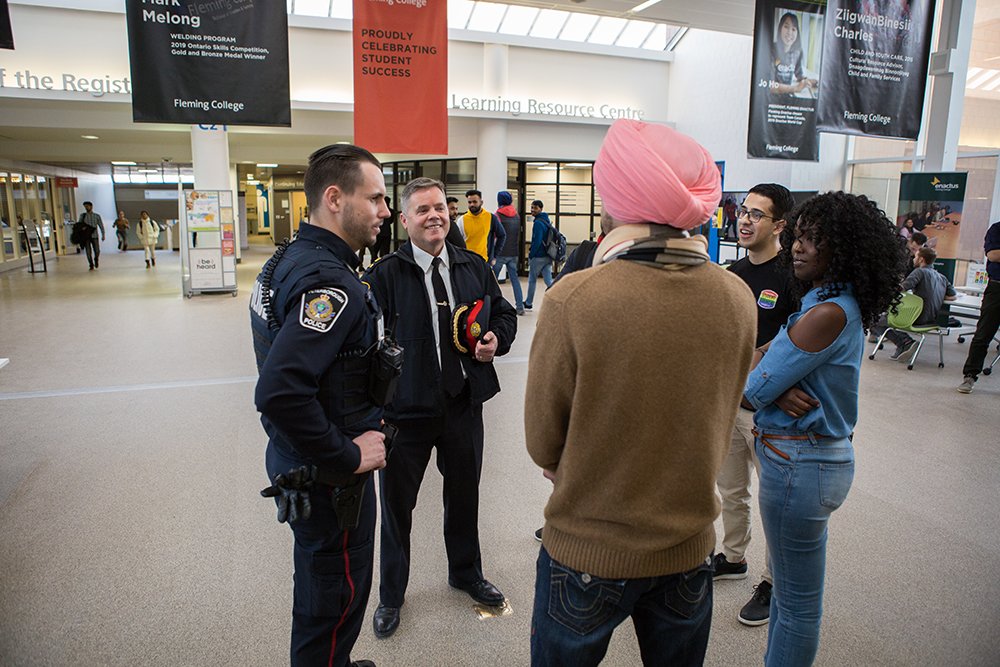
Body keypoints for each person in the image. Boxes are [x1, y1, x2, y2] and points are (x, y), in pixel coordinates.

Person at [525, 119, 757, 665]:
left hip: (589, 547)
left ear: (619, 197)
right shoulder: (737, 297)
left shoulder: (573, 299)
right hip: (689, 548)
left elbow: (542, 441)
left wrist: (576, 460)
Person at [742, 192, 906, 666]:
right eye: (799, 235)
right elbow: (762, 368)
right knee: (797, 598)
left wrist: (766, 374)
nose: (798, 247)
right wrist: (768, 368)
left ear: (845, 249)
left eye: (815, 240)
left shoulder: (825, 313)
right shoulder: (830, 305)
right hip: (808, 462)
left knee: (794, 605)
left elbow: (750, 389)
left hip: (800, 465)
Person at [251, 143, 392, 667]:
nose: (385, 211)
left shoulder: (290, 257)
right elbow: (280, 390)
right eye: (375, 198)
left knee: (321, 590)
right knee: (333, 600)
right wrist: (347, 455)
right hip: (332, 479)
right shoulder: (329, 281)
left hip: (302, 464)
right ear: (335, 198)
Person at [363, 177, 517, 640]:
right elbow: (363, 344)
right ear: (404, 219)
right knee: (397, 507)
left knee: (465, 494)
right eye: (422, 210)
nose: (434, 215)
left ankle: (466, 572)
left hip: (462, 405)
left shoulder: (473, 266)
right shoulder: (384, 275)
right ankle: (392, 593)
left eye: (440, 208)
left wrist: (496, 339)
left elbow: (504, 314)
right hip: (404, 414)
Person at [714, 183, 799, 628]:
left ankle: (774, 582)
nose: (744, 220)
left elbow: (799, 339)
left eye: (757, 215)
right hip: (730, 403)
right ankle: (732, 557)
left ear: (780, 225)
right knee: (731, 490)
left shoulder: (794, 276)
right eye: (743, 211)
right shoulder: (732, 272)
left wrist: (760, 355)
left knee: (776, 502)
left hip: (772, 411)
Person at [875, 247, 957, 361]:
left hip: (915, 317)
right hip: (931, 319)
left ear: (921, 259)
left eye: (916, 256)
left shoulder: (919, 272)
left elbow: (901, 289)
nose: (914, 259)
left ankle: (905, 342)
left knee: (875, 320)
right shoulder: (942, 277)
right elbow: (953, 296)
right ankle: (904, 344)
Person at [958, 219, 1000, 394]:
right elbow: (993, 255)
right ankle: (970, 375)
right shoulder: (997, 229)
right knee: (983, 334)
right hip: (997, 287)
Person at [492, 190, 524, 314]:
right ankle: (520, 307)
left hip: (500, 253)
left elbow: (495, 235)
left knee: (493, 282)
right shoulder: (516, 215)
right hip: (513, 252)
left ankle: (494, 307)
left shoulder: (497, 215)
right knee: (515, 280)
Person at [770, 12, 816, 97]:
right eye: (786, 27)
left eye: (793, 29)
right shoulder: (771, 49)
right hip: (772, 99)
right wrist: (795, 88)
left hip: (788, 96)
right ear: (780, 28)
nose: (789, 32)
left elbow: (799, 75)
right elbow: (770, 85)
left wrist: (808, 81)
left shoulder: (798, 52)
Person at [524, 200, 553, 310]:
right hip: (548, 255)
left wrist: (531, 255)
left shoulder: (538, 223)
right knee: (548, 280)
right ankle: (558, 296)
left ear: (541, 208)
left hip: (539, 256)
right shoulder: (546, 221)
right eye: (531, 207)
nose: (532, 210)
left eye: (535, 208)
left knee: (532, 280)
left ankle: (528, 302)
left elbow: (537, 240)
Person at [462, 189, 502, 262]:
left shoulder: (490, 217)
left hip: (485, 261)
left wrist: (494, 256)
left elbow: (502, 235)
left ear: (481, 202)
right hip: (467, 261)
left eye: (475, 202)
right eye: (469, 202)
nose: (472, 204)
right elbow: (458, 242)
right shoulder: (462, 220)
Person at [79, 201, 105, 270]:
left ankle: (96, 258)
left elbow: (101, 225)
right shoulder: (82, 216)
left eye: (87, 206)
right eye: (85, 206)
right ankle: (91, 264)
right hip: (86, 237)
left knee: (97, 250)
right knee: (88, 251)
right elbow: (79, 226)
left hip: (94, 235)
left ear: (91, 206)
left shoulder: (96, 216)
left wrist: (103, 234)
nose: (86, 208)